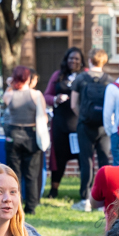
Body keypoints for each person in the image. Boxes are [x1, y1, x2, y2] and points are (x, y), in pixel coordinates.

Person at [3, 66, 48, 213]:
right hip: (31, 134)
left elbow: (5, 98)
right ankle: (31, 206)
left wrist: (10, 84)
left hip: (13, 133)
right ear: (28, 78)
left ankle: (16, 206)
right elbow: (44, 117)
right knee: (31, 173)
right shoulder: (36, 95)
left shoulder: (10, 95)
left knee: (14, 174)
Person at [72, 48, 112, 211]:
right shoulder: (109, 80)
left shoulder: (80, 78)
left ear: (89, 60)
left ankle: (85, 198)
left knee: (86, 160)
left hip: (85, 124)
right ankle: (105, 197)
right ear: (104, 61)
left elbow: (73, 104)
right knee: (104, 161)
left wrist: (82, 115)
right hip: (103, 126)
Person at [43, 47, 85, 199]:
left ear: (81, 61)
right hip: (60, 124)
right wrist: (55, 99)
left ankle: (85, 193)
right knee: (58, 158)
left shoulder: (85, 75)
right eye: (71, 58)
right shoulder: (58, 75)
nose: (73, 61)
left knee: (83, 158)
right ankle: (53, 190)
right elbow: (46, 95)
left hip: (79, 124)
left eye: (76, 59)